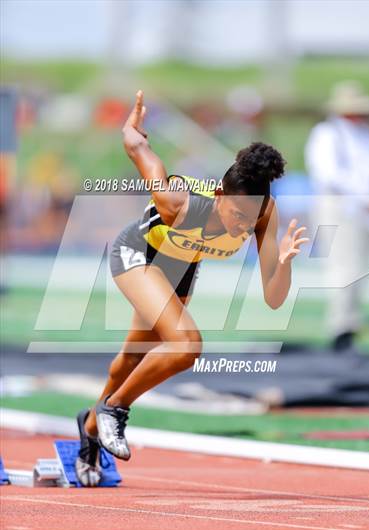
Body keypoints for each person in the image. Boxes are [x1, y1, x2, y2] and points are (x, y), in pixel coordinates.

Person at [75, 90, 309, 487]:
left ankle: (92, 425)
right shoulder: (177, 202)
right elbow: (139, 153)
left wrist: (283, 264)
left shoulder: (264, 212)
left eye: (249, 221)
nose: (242, 227)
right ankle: (114, 409)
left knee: (133, 358)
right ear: (219, 196)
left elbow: (274, 298)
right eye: (237, 215)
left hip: (181, 267)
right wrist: (133, 129)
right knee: (186, 345)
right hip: (138, 255)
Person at [305, 81, 369, 352]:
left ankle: (351, 323)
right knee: (344, 267)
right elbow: (328, 174)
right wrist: (365, 196)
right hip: (340, 208)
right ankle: (340, 327)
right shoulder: (326, 134)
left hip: (367, 212)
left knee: (361, 268)